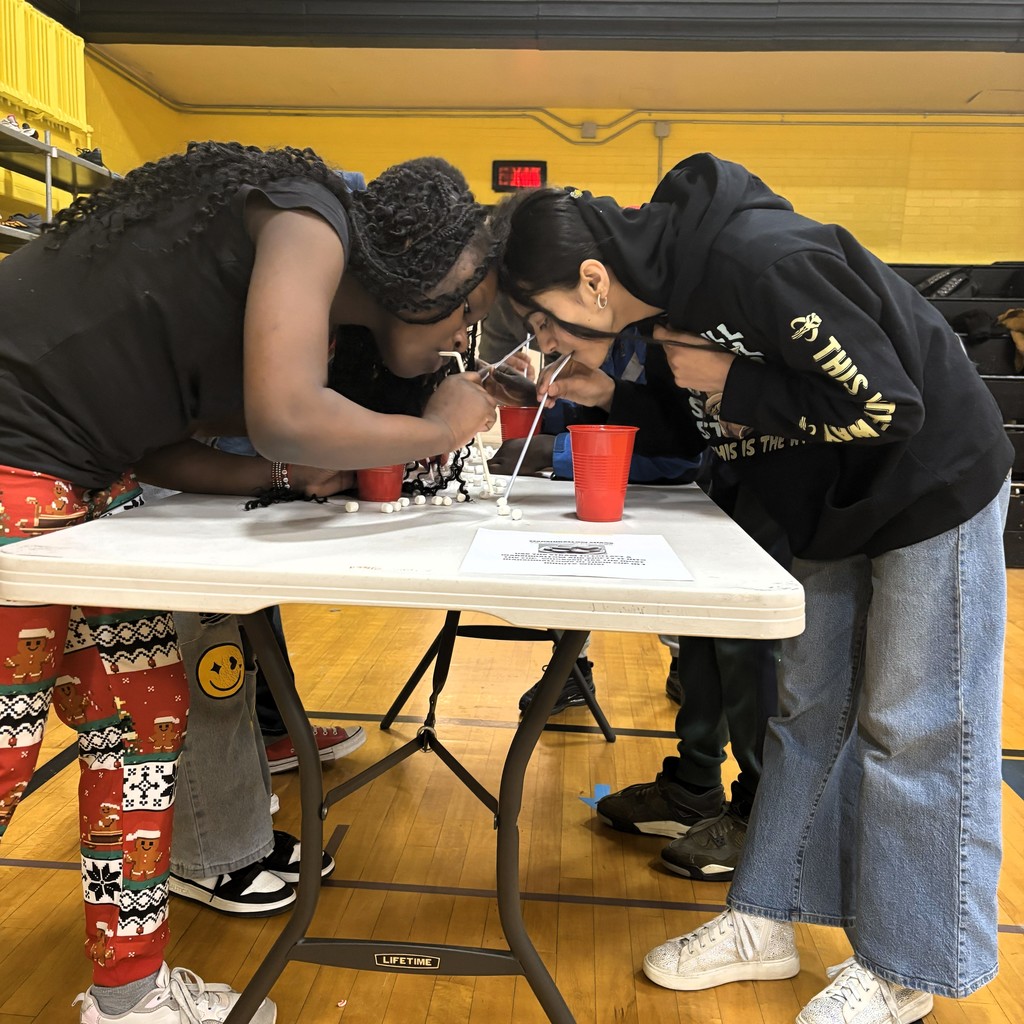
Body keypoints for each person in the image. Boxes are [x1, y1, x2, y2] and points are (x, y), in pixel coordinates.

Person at [494, 152, 1011, 1023]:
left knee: (916, 727)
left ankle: (908, 966)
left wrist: (741, 381)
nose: (544, 343)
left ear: (591, 282)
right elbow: (703, 418)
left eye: (544, 323)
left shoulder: (759, 259)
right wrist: (613, 390)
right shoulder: (660, 306)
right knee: (804, 715)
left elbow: (890, 404)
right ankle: (766, 918)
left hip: (931, 484)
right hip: (826, 504)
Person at [0, 140, 499, 1024]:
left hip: (78, 477)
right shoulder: (310, 218)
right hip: (13, 469)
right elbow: (284, 415)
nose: (468, 339)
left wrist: (285, 479)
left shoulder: (284, 303)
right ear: (418, 279)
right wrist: (432, 430)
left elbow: (155, 442)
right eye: (469, 312)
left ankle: (129, 999)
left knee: (146, 722)